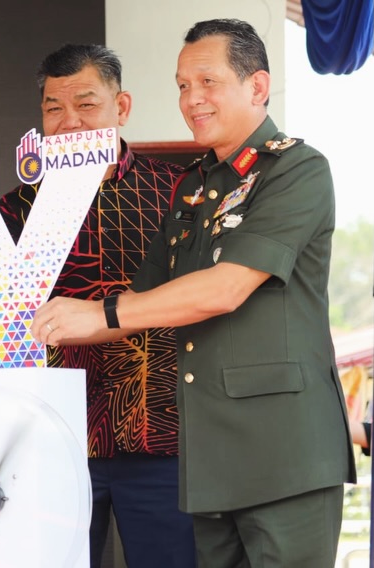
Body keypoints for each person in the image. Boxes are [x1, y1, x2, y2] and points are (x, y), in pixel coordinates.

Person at [28, 19, 355, 567]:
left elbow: (226, 288)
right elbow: (143, 299)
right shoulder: (194, 187)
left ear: (257, 86)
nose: (191, 99)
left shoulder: (296, 169)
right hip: (208, 459)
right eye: (182, 86)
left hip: (284, 454)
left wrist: (98, 314)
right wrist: (33, 319)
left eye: (207, 82)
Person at [0, 44, 195, 567]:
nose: (70, 122)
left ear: (121, 107)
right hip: (50, 435)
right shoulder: (13, 208)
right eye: (54, 108)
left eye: (86, 104)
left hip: (161, 433)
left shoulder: (179, 193)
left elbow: (200, 296)